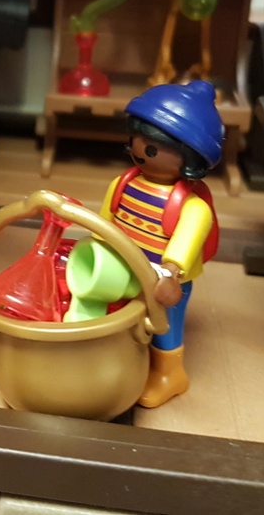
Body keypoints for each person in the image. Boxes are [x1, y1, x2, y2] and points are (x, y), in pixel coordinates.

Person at [100, 81, 223, 408]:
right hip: (121, 269)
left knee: (165, 327)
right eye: (135, 143)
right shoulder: (123, 184)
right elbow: (105, 224)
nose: (140, 152)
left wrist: (171, 274)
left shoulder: (192, 207)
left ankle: (169, 374)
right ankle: (125, 362)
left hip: (161, 281)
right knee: (122, 316)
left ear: (190, 156)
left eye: (152, 149)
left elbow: (184, 244)